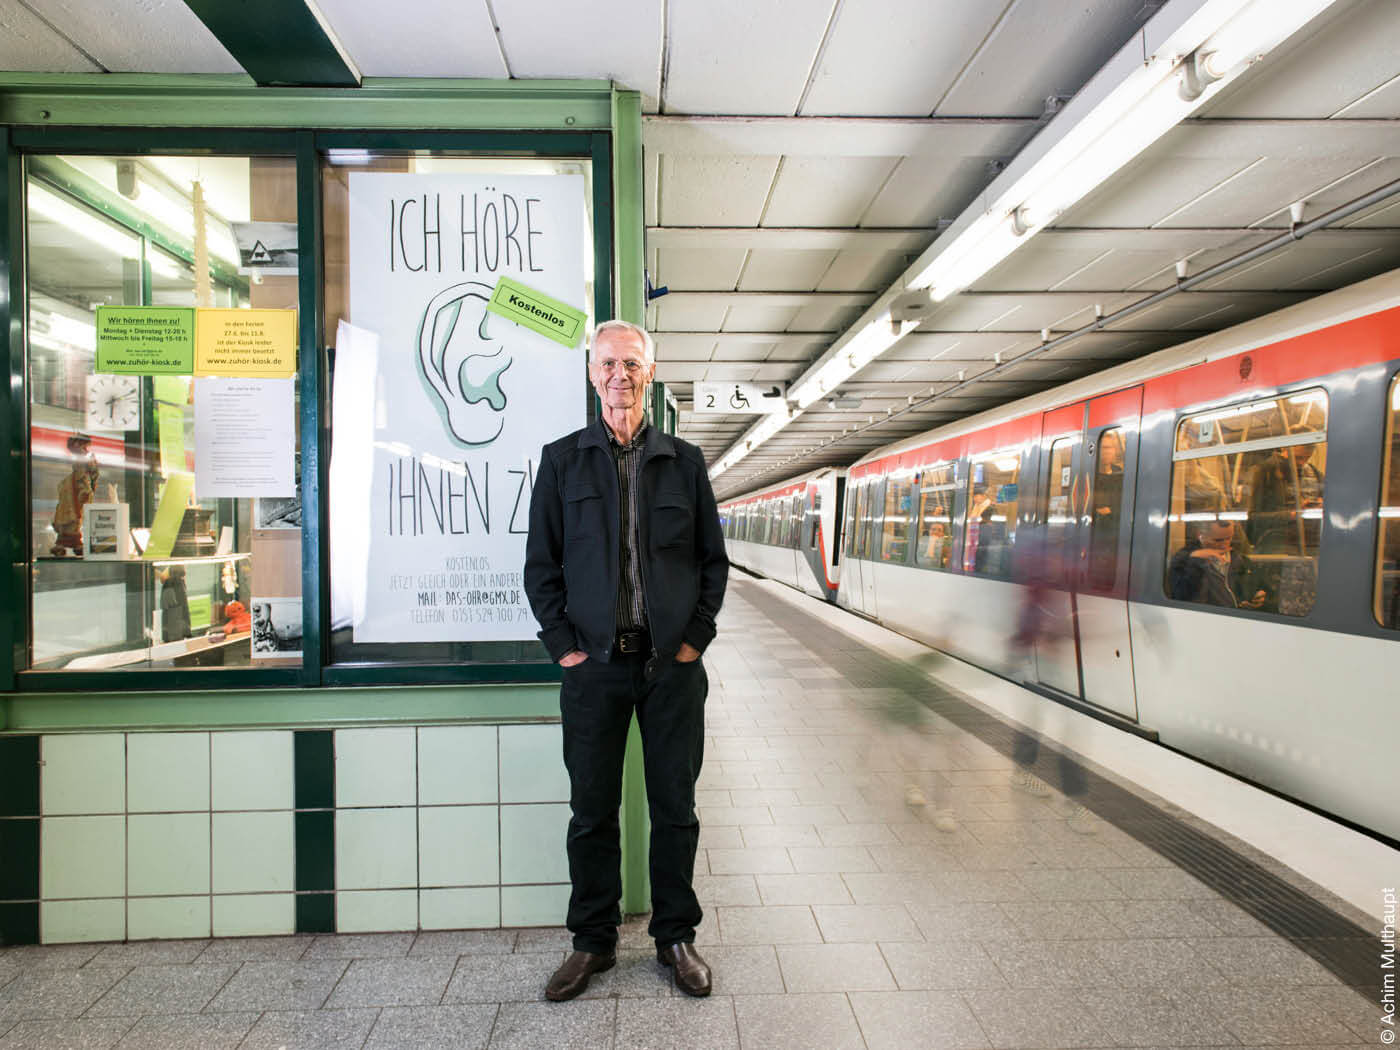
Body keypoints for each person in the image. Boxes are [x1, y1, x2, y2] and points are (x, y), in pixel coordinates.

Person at [524, 319, 728, 1002]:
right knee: (592, 810)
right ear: (592, 372)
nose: (621, 375)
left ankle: (675, 936)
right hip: (596, 670)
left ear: (651, 372)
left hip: (671, 669)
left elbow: (712, 564)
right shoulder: (561, 462)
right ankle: (593, 941)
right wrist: (566, 652)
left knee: (676, 807)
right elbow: (540, 570)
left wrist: (693, 641)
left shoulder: (684, 462)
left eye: (633, 363)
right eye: (609, 363)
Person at [1167, 519, 1270, 610]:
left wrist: (1258, 598)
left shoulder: (1239, 559)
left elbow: (1262, 587)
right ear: (1200, 535)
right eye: (1218, 540)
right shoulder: (1185, 559)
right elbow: (1180, 596)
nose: (1224, 544)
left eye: (1229, 538)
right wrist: (1196, 561)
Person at [1247, 444, 1324, 553]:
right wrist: (1290, 515)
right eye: (1297, 457)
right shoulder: (1265, 472)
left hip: (1310, 542)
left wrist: (1321, 504)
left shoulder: (1314, 473)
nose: (1302, 463)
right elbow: (1253, 518)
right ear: (1284, 449)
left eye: (1307, 458)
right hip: (1279, 544)